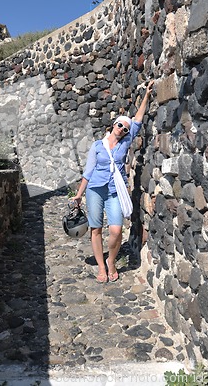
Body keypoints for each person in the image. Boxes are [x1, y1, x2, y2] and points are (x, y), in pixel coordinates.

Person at [74, 80, 155, 283]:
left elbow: (137, 119)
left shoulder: (126, 142)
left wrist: (146, 95)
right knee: (96, 229)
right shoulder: (97, 146)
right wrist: (78, 194)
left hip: (115, 190)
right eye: (120, 125)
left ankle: (111, 260)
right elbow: (88, 172)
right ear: (113, 125)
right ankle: (102, 267)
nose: (122, 129)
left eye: (125, 129)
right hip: (95, 189)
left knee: (116, 230)